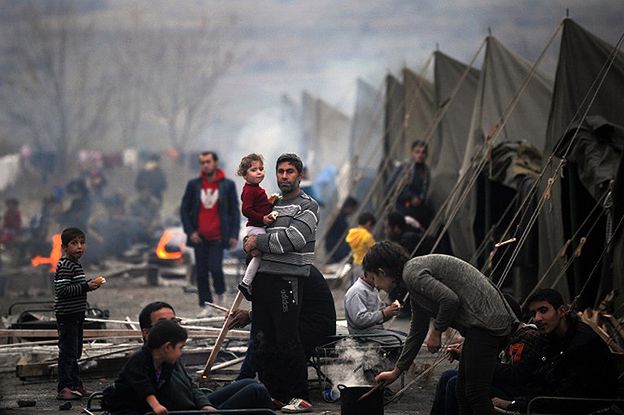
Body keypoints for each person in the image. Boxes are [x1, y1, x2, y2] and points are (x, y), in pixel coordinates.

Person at [367, 241, 517, 415]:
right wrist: (396, 371)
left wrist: (437, 331)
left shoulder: (412, 273)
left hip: (487, 323)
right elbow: (417, 329)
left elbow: (449, 299)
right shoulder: (412, 279)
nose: (376, 286)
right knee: (462, 392)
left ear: (381, 272)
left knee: (476, 393)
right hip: (481, 326)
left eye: (373, 279)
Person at [243, 153, 319, 413]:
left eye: (289, 172)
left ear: (299, 175)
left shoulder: (308, 206)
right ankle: (273, 394)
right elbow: (252, 231)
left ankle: (300, 395)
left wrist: (258, 243)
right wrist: (249, 242)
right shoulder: (270, 205)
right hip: (263, 278)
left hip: (286, 280)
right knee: (262, 339)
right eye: (280, 172)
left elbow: (292, 240)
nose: (284, 176)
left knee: (288, 339)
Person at [105, 301, 273, 413]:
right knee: (256, 391)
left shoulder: (170, 355)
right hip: (183, 411)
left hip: (194, 407)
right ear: (147, 333)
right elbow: (145, 391)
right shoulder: (146, 361)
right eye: (163, 323)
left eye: (174, 321)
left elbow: (191, 385)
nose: (171, 327)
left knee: (249, 383)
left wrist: (205, 404)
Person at [492, 289, 618, 414]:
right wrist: (483, 366)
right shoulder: (547, 337)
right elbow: (521, 372)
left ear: (562, 311)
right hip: (544, 399)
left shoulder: (582, 343)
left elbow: (566, 398)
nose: (537, 318)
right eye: (533, 313)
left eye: (543, 311)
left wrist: (514, 404)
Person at [430, 295, 546, 415]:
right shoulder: (503, 335)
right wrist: (466, 354)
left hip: (513, 390)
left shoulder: (528, 337)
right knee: (447, 376)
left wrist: (473, 360)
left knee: (456, 383)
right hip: (499, 381)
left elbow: (515, 374)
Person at [229, 265, 337, 380]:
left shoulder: (290, 271)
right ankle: (248, 378)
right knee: (264, 328)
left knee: (265, 332)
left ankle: (246, 378)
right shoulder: (285, 267)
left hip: (315, 329)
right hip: (302, 323)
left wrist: (250, 315)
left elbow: (281, 311)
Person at [180, 151, 240, 313]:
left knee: (215, 267)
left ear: (215, 163)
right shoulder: (194, 185)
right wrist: (190, 231)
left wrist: (234, 234)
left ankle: (221, 296)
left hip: (218, 236)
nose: (205, 165)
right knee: (201, 272)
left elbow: (235, 211)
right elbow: (184, 210)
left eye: (208, 161)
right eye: (202, 162)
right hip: (199, 236)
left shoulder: (227, 185)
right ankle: (206, 305)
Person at [54, 227, 105, 400]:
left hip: (76, 315)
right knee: (67, 353)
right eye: (74, 243)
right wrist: (85, 286)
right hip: (67, 316)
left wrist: (89, 286)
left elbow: (75, 288)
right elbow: (62, 290)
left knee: (75, 352)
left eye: (82, 243)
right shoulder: (65, 265)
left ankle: (76, 384)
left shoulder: (75, 264)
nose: (79, 247)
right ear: (64, 247)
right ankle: (64, 387)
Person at [103, 320, 190, 415]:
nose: (181, 353)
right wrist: (156, 405)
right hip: (122, 402)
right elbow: (143, 385)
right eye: (180, 348)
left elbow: (165, 387)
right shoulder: (139, 359)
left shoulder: (167, 363)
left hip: (143, 404)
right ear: (168, 347)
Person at [236, 153, 277, 300]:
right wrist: (263, 218)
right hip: (255, 227)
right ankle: (246, 283)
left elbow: (260, 206)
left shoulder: (257, 189)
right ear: (245, 174)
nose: (259, 172)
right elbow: (246, 210)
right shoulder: (249, 190)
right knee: (259, 256)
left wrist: (270, 203)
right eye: (254, 170)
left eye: (261, 169)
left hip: (258, 225)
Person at [344, 265, 403, 347]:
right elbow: (359, 320)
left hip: (375, 332)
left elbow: (379, 315)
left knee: (407, 337)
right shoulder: (357, 291)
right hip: (363, 335)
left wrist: (391, 312)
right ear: (369, 275)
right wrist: (384, 313)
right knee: (405, 342)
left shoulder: (373, 289)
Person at [387, 140, 433, 229]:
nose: (420, 155)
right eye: (417, 152)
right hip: (401, 207)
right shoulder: (404, 168)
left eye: (423, 152)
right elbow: (393, 187)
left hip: (417, 209)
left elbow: (425, 189)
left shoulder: (426, 171)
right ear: (412, 153)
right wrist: (411, 197)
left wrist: (420, 199)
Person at [345, 211, 376, 284]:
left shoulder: (352, 234)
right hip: (366, 265)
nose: (372, 229)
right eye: (372, 226)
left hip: (356, 263)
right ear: (368, 223)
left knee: (357, 284)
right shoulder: (367, 236)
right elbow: (375, 250)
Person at [324, 196, 358, 264]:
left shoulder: (339, 216)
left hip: (331, 247)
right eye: (353, 209)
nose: (353, 212)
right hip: (335, 249)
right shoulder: (340, 218)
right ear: (349, 207)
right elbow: (348, 233)